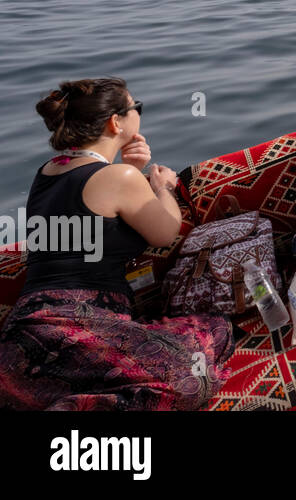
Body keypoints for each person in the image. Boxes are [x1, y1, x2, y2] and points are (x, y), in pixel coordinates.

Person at [0, 78, 234, 409]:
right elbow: (166, 231)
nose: (139, 111)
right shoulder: (119, 179)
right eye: (135, 106)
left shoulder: (47, 171)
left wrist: (129, 170)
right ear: (116, 121)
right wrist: (162, 186)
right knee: (209, 340)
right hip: (79, 326)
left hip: (23, 336)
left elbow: (94, 208)